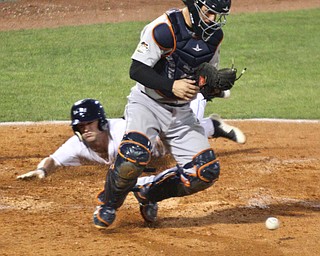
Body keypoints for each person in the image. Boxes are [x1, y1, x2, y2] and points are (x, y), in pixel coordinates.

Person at [93, 0, 239, 229]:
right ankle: (108, 204)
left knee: (205, 171)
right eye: (208, 12)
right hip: (147, 104)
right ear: (194, 6)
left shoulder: (213, 38)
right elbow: (137, 69)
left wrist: (213, 86)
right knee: (133, 155)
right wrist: (172, 86)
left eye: (217, 15)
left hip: (181, 112)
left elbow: (202, 79)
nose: (212, 20)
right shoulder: (163, 29)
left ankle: (148, 192)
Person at [17, 97, 245, 180]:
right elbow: (54, 160)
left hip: (156, 137)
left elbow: (148, 132)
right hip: (151, 157)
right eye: (80, 126)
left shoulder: (123, 129)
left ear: (102, 122)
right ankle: (213, 126)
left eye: (89, 123)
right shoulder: (77, 145)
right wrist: (41, 171)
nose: (85, 129)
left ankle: (204, 92)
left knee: (181, 126)